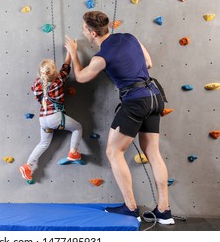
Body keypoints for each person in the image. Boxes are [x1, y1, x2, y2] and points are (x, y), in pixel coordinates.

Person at [64, 11, 174, 224]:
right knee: (152, 152)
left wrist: (73, 52)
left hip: (135, 101)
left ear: (93, 33)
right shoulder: (130, 37)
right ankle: (164, 211)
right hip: (154, 96)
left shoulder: (101, 57)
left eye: (84, 29)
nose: (83, 31)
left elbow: (80, 76)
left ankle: (131, 208)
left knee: (113, 151)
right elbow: (148, 63)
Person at [19, 52, 83, 184]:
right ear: (54, 73)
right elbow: (66, 67)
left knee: (43, 143)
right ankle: (73, 152)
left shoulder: (36, 84)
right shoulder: (58, 81)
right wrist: (71, 52)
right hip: (55, 117)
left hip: (43, 119)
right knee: (77, 128)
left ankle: (28, 166)